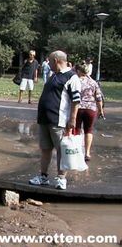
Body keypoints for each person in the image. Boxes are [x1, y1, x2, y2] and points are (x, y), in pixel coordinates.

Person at [29, 50, 81, 190]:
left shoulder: (72, 77)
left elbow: (76, 101)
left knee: (61, 150)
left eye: (50, 61)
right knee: (45, 149)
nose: (48, 64)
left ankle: (61, 178)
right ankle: (43, 177)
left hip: (58, 120)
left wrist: (72, 120)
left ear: (57, 61)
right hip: (45, 119)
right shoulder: (54, 75)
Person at [74, 63, 104, 162]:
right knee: (89, 130)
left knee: (76, 129)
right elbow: (98, 98)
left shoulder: (76, 81)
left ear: (79, 71)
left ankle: (77, 152)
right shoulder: (93, 82)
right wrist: (101, 110)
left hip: (77, 108)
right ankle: (87, 153)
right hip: (90, 109)